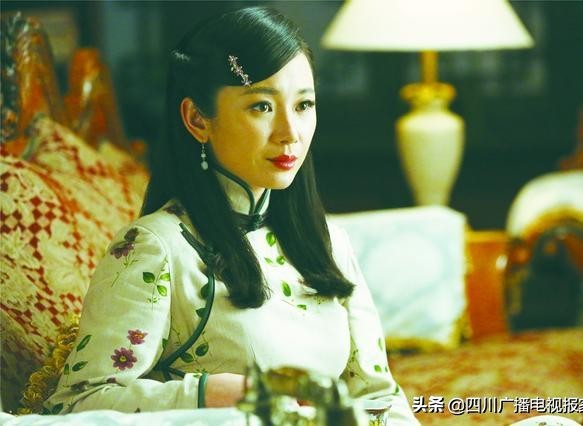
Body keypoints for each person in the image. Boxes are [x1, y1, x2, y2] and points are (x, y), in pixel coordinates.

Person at [44, 6, 419, 425]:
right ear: (197, 119)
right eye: (261, 106)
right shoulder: (157, 248)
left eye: (304, 104)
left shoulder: (328, 242)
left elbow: (379, 398)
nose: (290, 133)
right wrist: (208, 393)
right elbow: (75, 403)